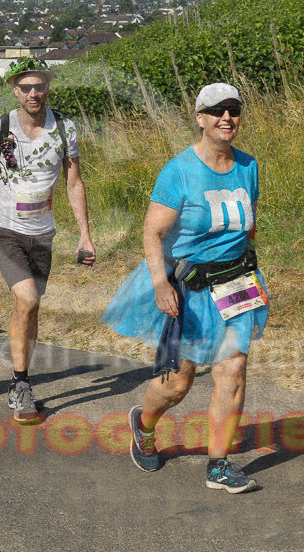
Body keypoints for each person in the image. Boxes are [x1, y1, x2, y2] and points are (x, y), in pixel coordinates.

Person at [101, 82, 269, 494]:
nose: (226, 118)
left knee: (233, 369)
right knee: (179, 381)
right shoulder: (179, 170)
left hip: (236, 282)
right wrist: (161, 282)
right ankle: (144, 423)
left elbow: (248, 227)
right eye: (216, 111)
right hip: (188, 286)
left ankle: (219, 464)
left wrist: (249, 268)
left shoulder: (249, 166)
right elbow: (152, 232)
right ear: (200, 118)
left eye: (233, 109)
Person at [0, 57, 96, 424]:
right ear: (15, 89)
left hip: (42, 231)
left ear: (48, 87)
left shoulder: (65, 128)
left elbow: (73, 182)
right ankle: (20, 386)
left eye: (39, 86)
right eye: (26, 87)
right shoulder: (0, 127)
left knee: (31, 307)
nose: (33, 93)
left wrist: (84, 234)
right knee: (28, 297)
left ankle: (21, 374)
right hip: (2, 228)